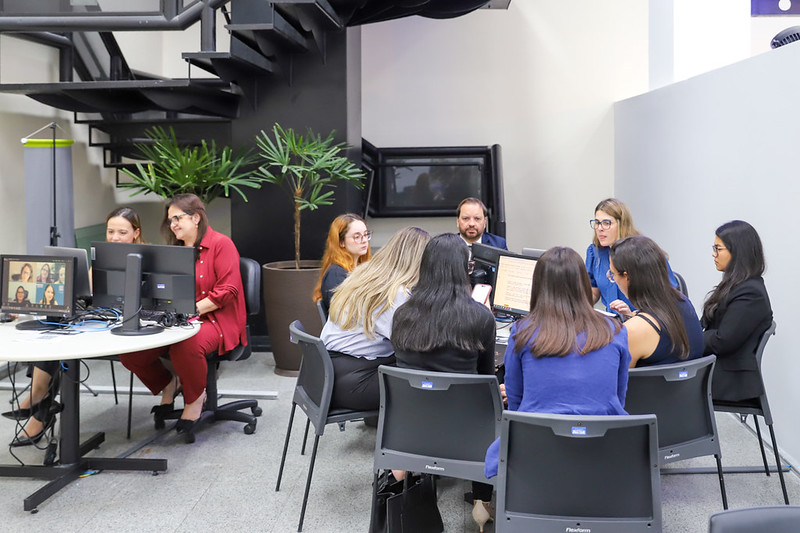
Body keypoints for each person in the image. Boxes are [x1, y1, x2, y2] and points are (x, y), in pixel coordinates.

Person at [3, 206, 147, 446]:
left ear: (136, 232)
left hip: (126, 325)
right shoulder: (101, 255)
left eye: (122, 232)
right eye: (110, 231)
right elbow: (86, 291)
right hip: (98, 320)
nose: (114, 238)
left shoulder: (144, 256)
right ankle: (40, 402)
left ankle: (38, 403)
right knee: (56, 333)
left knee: (62, 343)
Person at [484, 247, 630, 478]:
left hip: (537, 452)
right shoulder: (615, 330)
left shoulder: (522, 332)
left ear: (538, 285)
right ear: (583, 284)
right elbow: (618, 398)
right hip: (604, 450)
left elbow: (516, 403)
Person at [391, 233, 497, 532]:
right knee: (493, 402)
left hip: (410, 427)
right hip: (464, 432)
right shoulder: (480, 318)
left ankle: (406, 473)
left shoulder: (402, 315)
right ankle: (481, 500)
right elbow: (486, 379)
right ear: (464, 270)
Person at [120, 194, 246, 432]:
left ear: (196, 218)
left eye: (177, 218)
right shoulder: (174, 251)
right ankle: (169, 383)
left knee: (186, 344)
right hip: (178, 319)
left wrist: (191, 310)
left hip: (216, 320)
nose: (173, 224)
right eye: (170, 220)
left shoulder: (221, 244)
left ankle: (195, 399)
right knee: (131, 353)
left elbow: (228, 291)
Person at [320, 226, 430, 411]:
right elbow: (413, 346)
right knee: (429, 378)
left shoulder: (366, 274)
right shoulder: (394, 294)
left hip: (331, 371)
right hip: (353, 382)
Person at [701, 220, 772, 402]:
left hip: (727, 378)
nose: (714, 254)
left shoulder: (751, 293)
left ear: (737, 252)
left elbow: (722, 341)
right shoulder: (736, 285)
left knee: (661, 383)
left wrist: (691, 338)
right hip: (716, 367)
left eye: (718, 249)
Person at [609, 235, 704, 367]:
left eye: (612, 274)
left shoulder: (633, 331)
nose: (613, 279)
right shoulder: (684, 302)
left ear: (627, 277)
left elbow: (616, 377)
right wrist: (633, 316)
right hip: (692, 381)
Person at [586, 197, 679, 317]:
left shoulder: (644, 252)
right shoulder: (595, 252)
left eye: (606, 223)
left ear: (622, 224)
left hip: (642, 319)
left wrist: (633, 314)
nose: (599, 228)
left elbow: (667, 300)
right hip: (612, 322)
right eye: (597, 223)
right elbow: (593, 292)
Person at [312, 214, 372, 314]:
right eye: (357, 237)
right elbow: (345, 314)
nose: (365, 240)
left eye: (366, 235)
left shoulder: (362, 268)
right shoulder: (335, 274)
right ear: (341, 242)